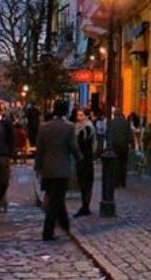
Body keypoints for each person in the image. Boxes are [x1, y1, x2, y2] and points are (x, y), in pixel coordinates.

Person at [35, 100, 81, 241]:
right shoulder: (69, 127)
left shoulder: (44, 127)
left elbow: (40, 150)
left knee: (56, 198)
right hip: (62, 169)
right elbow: (73, 147)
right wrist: (80, 157)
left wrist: (38, 167)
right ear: (66, 111)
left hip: (48, 169)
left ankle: (65, 224)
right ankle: (47, 232)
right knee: (55, 200)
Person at [0, 100, 16, 213]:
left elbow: (12, 139)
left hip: (3, 155)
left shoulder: (6, 123)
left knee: (4, 182)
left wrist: (10, 154)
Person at [72, 107, 95, 217]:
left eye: (81, 115)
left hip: (85, 159)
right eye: (78, 115)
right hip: (82, 158)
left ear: (86, 116)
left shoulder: (87, 128)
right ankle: (85, 206)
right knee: (83, 183)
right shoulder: (78, 127)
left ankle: (85, 207)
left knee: (85, 182)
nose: (79, 118)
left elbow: (84, 143)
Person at [106, 106, 131, 188]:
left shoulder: (111, 123)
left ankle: (116, 182)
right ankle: (123, 181)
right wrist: (129, 143)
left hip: (115, 146)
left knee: (116, 164)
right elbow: (129, 134)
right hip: (124, 146)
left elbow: (109, 135)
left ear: (114, 114)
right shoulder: (126, 122)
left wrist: (109, 146)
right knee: (123, 164)